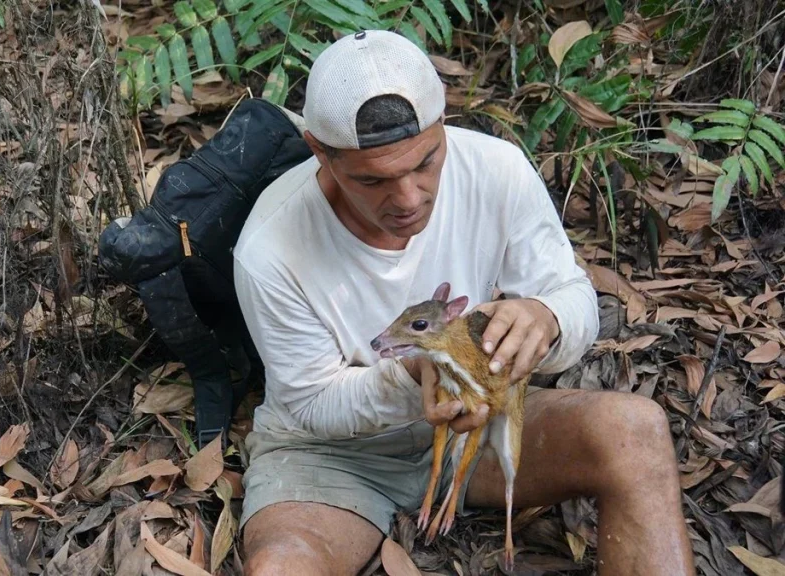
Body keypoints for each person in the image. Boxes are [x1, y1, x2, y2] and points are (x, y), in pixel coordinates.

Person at [230, 30, 695, 575]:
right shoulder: (271, 246)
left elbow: (573, 297)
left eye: (425, 163)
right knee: (284, 568)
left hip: (476, 418)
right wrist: (411, 376)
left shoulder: (496, 170)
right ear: (319, 153)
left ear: (444, 125)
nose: (408, 198)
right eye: (373, 180)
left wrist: (545, 318)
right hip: (330, 458)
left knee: (634, 432)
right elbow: (311, 404)